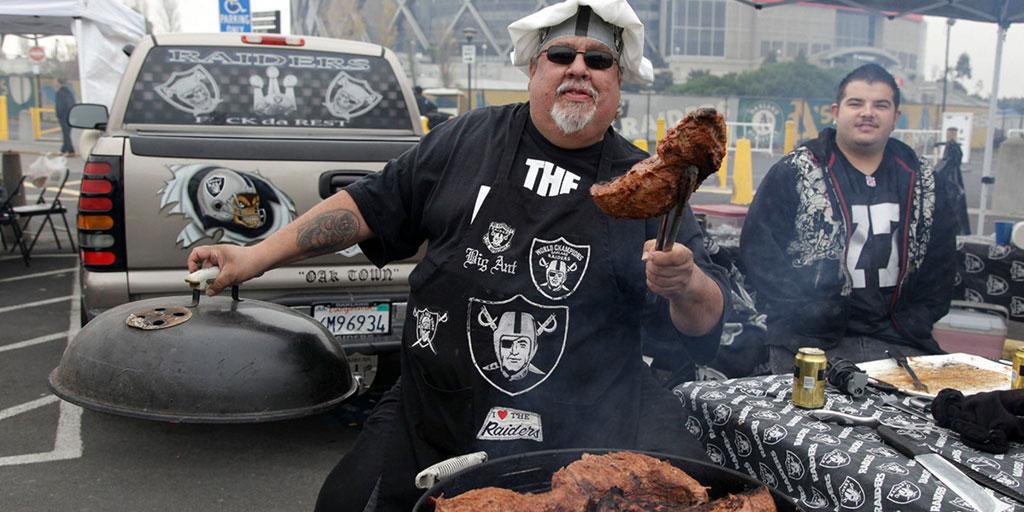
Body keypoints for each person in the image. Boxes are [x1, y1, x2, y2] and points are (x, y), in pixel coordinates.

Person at [188, 1, 728, 510]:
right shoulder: (467, 139)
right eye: (561, 54)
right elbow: (366, 207)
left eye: (599, 60)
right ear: (533, 68)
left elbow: (704, 321)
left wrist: (686, 284)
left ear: (619, 79)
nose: (579, 69)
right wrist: (254, 257)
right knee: (345, 502)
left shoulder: (649, 185)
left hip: (579, 436)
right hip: (434, 410)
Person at [740, 64, 956, 374]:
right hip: (809, 341)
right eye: (856, 103)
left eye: (880, 105)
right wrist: (807, 312)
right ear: (835, 111)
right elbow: (759, 253)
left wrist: (915, 320)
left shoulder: (924, 181)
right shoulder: (796, 171)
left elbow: (942, 266)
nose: (868, 113)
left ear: (895, 116)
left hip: (899, 338)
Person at [937, 127, 970, 235]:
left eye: (952, 134)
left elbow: (949, 162)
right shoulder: (952, 147)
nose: (951, 136)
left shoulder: (952, 148)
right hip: (952, 181)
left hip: (951, 182)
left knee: (953, 208)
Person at [54, 79, 76, 155]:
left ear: (59, 83)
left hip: (63, 116)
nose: (54, 83)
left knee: (66, 134)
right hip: (70, 115)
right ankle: (66, 149)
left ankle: (68, 150)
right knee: (67, 133)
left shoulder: (59, 93)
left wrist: (58, 115)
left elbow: (60, 106)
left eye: (55, 82)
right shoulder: (69, 92)